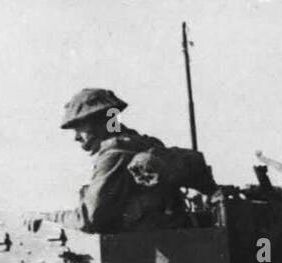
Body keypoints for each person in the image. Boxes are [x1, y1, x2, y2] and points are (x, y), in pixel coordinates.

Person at [31, 88, 191, 234]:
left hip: (136, 251)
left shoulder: (114, 154)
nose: (76, 137)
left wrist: (47, 217)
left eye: (79, 127)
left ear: (98, 122)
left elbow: (88, 220)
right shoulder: (144, 144)